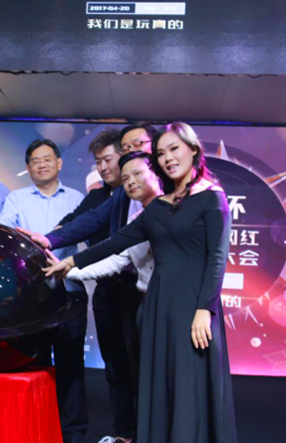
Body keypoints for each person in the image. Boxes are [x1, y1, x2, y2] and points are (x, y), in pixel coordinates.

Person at [45, 122, 237, 443]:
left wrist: (205, 310)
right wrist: (70, 263)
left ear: (193, 150)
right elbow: (115, 244)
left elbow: (217, 258)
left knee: (190, 383)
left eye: (174, 149)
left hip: (194, 306)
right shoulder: (159, 207)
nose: (168, 158)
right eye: (161, 153)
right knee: (160, 384)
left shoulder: (212, 198)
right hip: (158, 305)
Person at [20, 123, 156, 443]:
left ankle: (149, 432)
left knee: (142, 367)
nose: (105, 166)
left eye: (110, 158)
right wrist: (50, 240)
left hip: (140, 292)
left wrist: (71, 265)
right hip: (107, 289)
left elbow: (117, 249)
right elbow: (81, 224)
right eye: (99, 161)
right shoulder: (108, 196)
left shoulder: (158, 196)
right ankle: (124, 434)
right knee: (115, 367)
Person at [0, 139, 87, 443]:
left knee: (71, 363)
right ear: (28, 167)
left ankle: (73, 432)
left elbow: (92, 239)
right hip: (30, 296)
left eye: (47, 159)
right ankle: (35, 427)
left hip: (69, 290)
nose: (42, 164)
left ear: (59, 163)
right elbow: (3, 232)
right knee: (34, 363)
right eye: (35, 160)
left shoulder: (78, 199)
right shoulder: (16, 199)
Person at [55, 151, 160, 318]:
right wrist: (67, 271)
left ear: (155, 172)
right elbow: (115, 261)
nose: (131, 181)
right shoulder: (135, 221)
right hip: (147, 305)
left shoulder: (177, 210)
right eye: (125, 179)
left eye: (137, 174)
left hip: (177, 300)